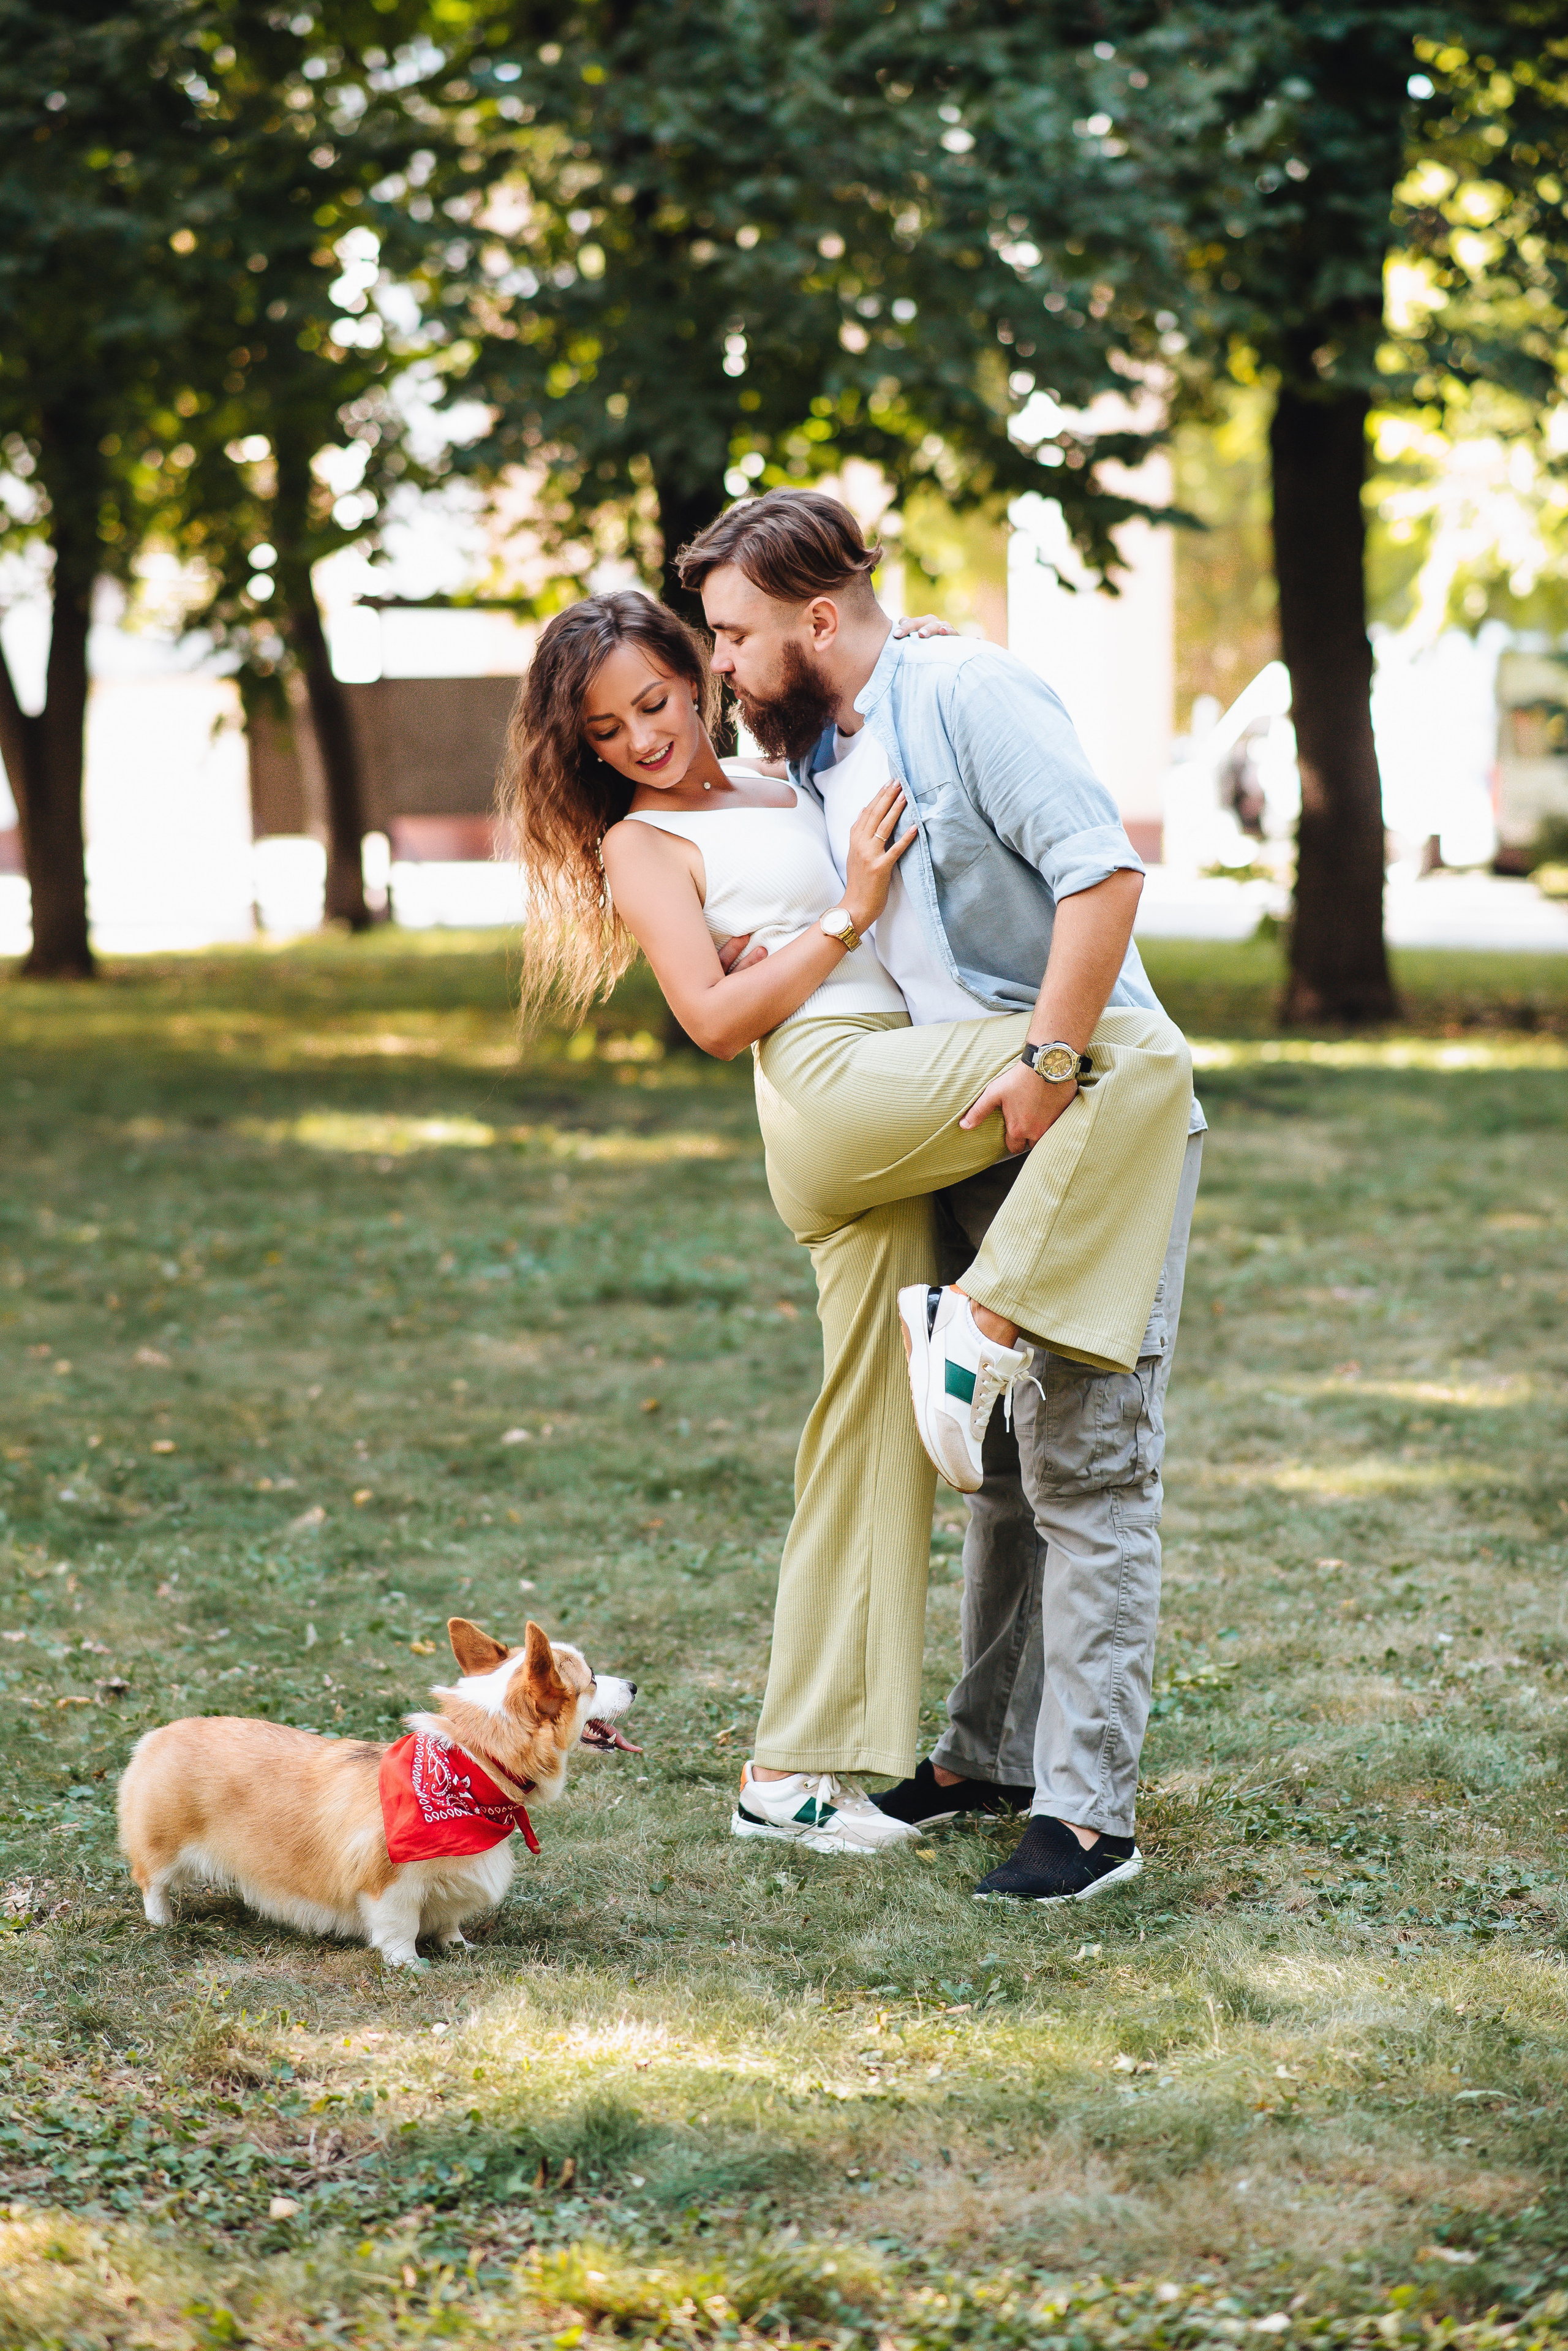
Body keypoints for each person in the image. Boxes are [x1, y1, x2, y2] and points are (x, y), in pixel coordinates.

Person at [499, 565, 1196, 1893]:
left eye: (654, 698)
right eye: (605, 732)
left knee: (861, 1444)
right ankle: (987, 1319)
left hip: (901, 1093)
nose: (642, 738)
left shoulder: (786, 769)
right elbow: (710, 1016)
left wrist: (910, 641)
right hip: (830, 1089)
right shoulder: (641, 843)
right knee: (1127, 1048)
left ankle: (791, 1767)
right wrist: (844, 914)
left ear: (700, 668)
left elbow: (839, 665)